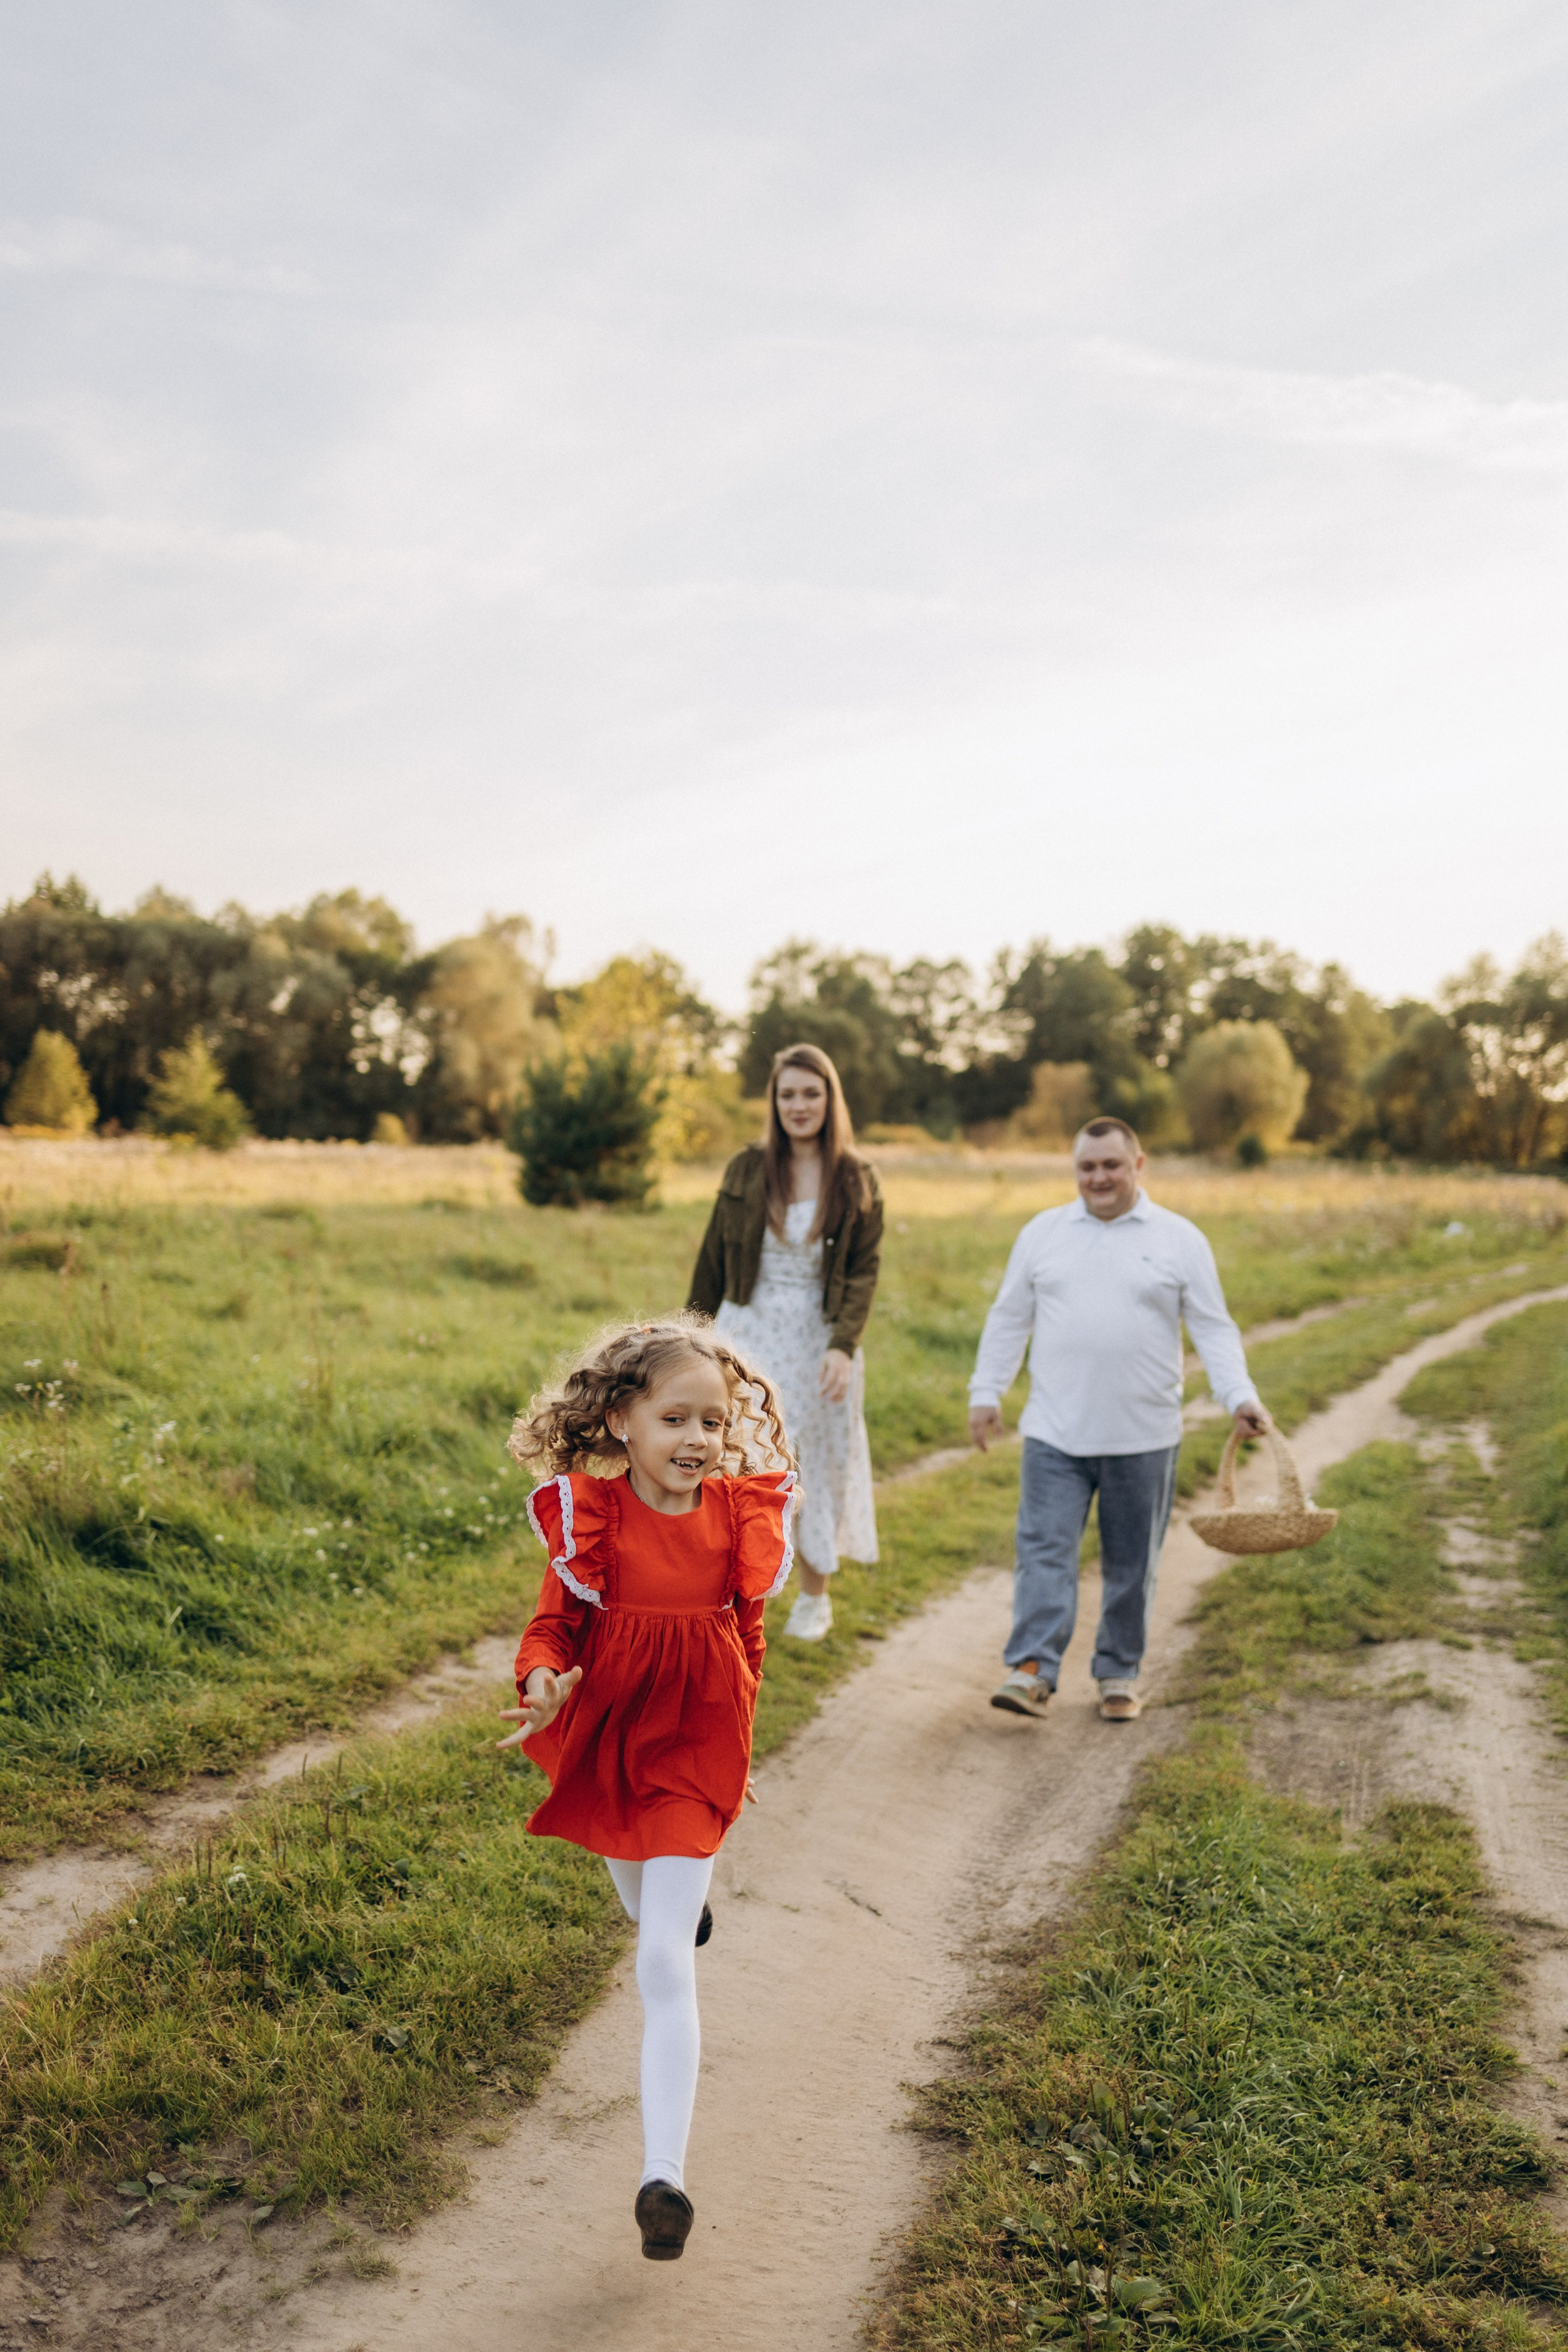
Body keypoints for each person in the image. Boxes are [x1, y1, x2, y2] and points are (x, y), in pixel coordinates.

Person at [497, 1316, 796, 2263]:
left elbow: (748, 1641)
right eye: (675, 1419)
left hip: (696, 1750)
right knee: (640, 1900)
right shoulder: (593, 1519)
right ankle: (673, 1900)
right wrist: (542, 1683)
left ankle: (662, 2179)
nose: (698, 1439)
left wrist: (737, 1743)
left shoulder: (739, 1518)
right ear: (622, 1420)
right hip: (609, 1738)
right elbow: (552, 1631)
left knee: (663, 1958)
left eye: (713, 1421)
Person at [968, 1116, 1268, 1724]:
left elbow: (1213, 1328)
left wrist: (1238, 1395)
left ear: (1138, 1165)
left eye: (1111, 1165)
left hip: (1144, 1436)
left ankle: (1117, 1673)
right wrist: (986, 1390)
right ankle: (1032, 1669)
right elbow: (1009, 1318)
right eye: (1087, 1167)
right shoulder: (1043, 1234)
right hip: (1054, 1433)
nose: (1098, 1177)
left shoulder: (1180, 1239)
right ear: (1075, 1170)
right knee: (1044, 1553)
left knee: (1131, 1564)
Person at [687, 1042, 882, 1642]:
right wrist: (689, 1338)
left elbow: (864, 1271)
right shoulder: (747, 1169)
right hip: (747, 1331)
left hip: (818, 1340)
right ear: (773, 1101)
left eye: (811, 1094)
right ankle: (730, 1592)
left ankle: (815, 1597)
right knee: (738, 1458)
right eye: (788, 1094)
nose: (799, 1106)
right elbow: (713, 1258)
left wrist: (843, 1345)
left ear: (830, 1099)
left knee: (813, 1463)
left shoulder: (855, 1177)